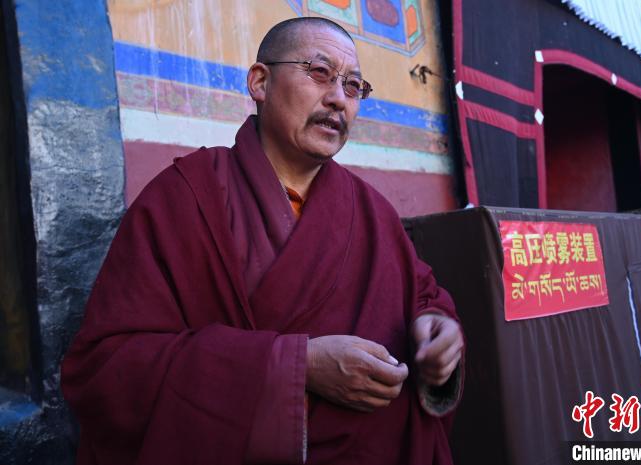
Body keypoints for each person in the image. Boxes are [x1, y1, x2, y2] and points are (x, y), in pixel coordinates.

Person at [61, 17, 464, 465]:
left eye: (353, 86)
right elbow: (107, 368)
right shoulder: (185, 197)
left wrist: (437, 331)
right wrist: (297, 366)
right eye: (320, 72)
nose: (338, 98)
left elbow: (423, 298)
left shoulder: (374, 213)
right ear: (259, 82)